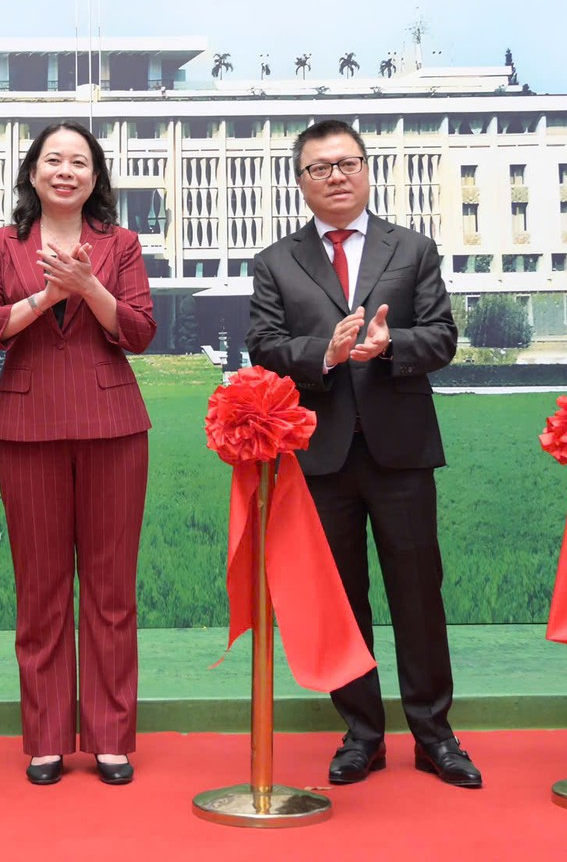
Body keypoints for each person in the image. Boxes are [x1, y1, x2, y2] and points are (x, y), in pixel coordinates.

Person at [246, 119, 478, 790]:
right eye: (320, 167)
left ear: (367, 169)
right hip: (319, 454)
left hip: (400, 449)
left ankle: (435, 735)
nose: (336, 175)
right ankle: (361, 734)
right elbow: (264, 344)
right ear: (301, 182)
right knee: (341, 600)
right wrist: (326, 352)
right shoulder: (276, 261)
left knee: (417, 596)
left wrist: (389, 345)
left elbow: (441, 336)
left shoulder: (412, 248)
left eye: (347, 162)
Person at [0, 122, 157, 786]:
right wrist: (48, 294)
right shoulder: (2, 244)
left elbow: (139, 331)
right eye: (54, 160)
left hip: (114, 425)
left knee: (110, 591)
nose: (67, 170)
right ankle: (46, 737)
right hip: (28, 422)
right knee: (41, 589)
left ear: (96, 177)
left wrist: (91, 287)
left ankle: (109, 737)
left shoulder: (121, 244)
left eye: (80, 161)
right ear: (34, 173)